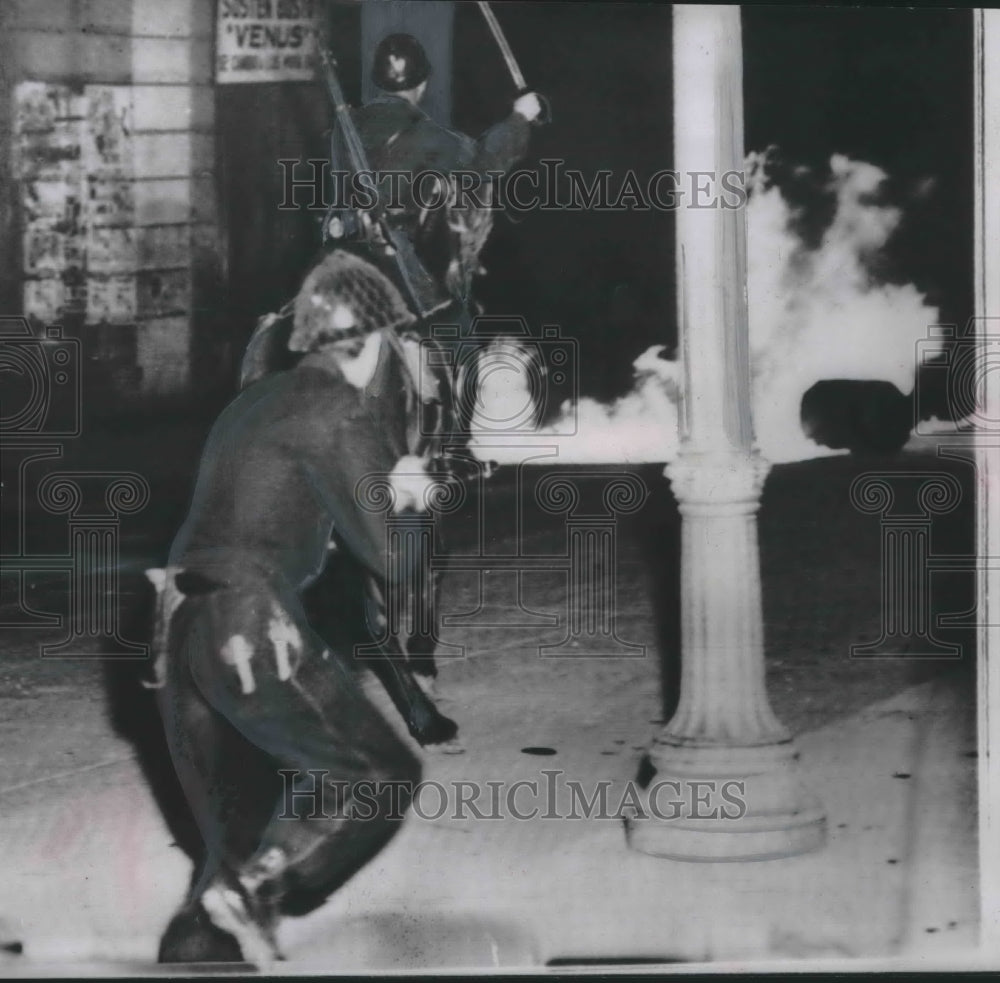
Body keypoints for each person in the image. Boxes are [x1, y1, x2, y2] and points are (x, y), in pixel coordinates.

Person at [152, 251, 457, 965]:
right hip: (246, 627)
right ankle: (251, 892)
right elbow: (395, 561)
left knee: (235, 834)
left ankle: (214, 921)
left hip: (174, 634)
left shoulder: (253, 400)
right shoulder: (337, 406)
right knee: (382, 777)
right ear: (374, 341)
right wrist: (410, 496)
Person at [326, 32, 543, 321]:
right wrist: (520, 118)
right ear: (423, 83)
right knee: (457, 335)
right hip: (396, 271)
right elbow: (483, 162)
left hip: (339, 256)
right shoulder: (427, 136)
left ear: (378, 80)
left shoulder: (346, 126)